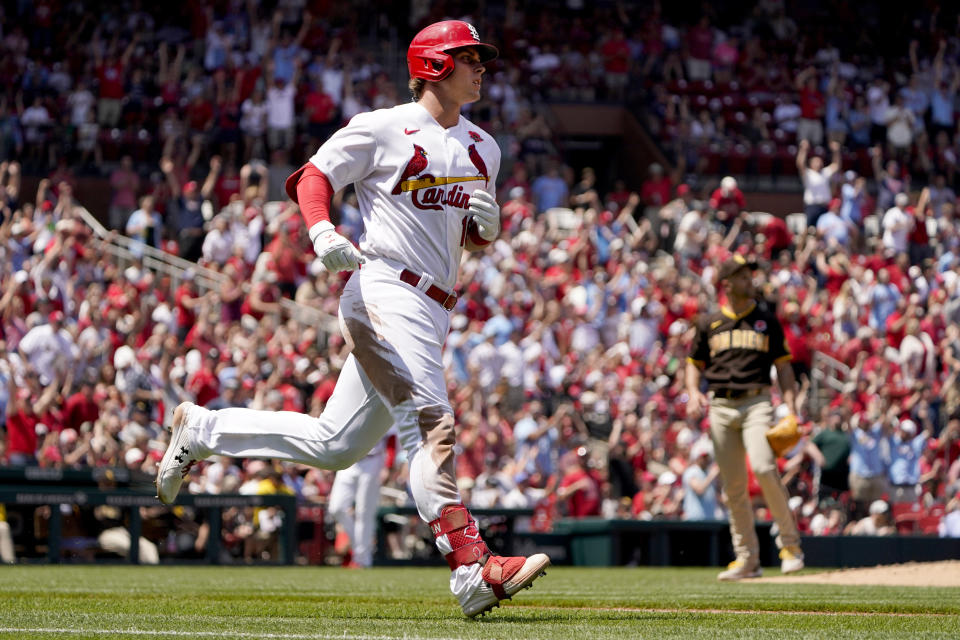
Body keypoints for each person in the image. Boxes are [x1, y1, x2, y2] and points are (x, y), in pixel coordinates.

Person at [156, 20, 549, 617]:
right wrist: (320, 229)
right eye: (470, 57)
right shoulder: (383, 126)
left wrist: (487, 232)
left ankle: (205, 431)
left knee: (335, 444)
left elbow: (466, 236)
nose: (482, 67)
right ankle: (470, 567)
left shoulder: (484, 146)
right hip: (386, 288)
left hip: (435, 304)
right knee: (430, 422)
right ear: (435, 65)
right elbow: (315, 175)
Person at [685, 254, 805, 580]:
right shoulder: (709, 322)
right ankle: (747, 559)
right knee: (734, 487)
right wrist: (693, 392)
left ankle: (791, 546)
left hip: (757, 402)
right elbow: (693, 365)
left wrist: (791, 405)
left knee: (765, 467)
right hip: (720, 406)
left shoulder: (767, 319)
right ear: (727, 283)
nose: (749, 281)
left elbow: (783, 367)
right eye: (742, 277)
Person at [327, 432, 395, 568]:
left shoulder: (384, 410)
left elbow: (391, 439)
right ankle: (359, 547)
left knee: (364, 512)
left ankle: (362, 560)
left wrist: (388, 466)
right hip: (349, 459)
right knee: (336, 508)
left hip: (373, 460)